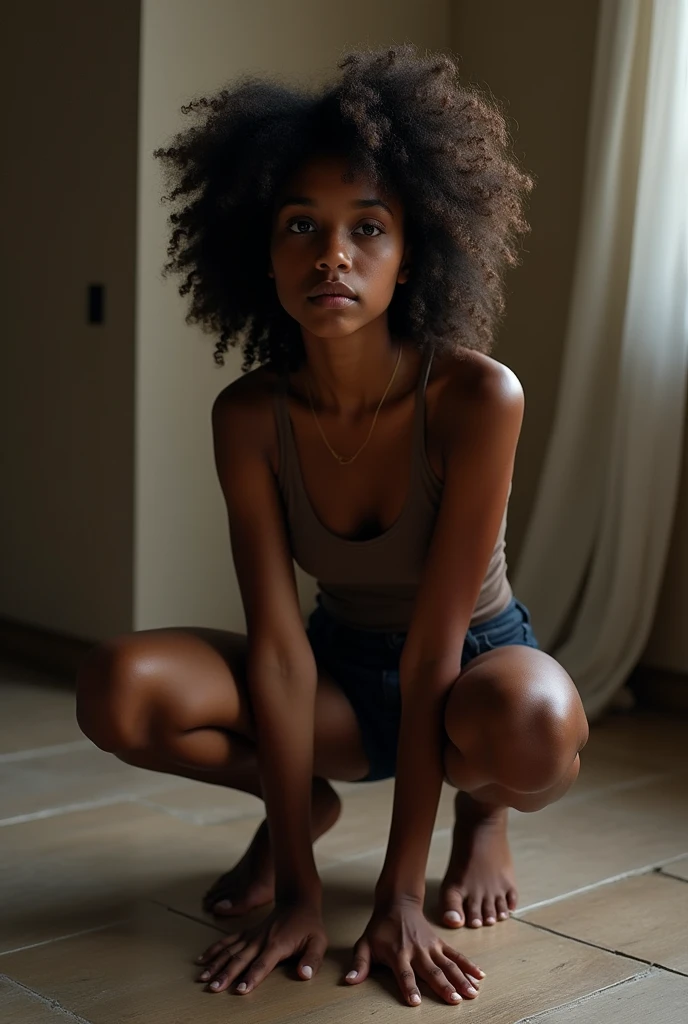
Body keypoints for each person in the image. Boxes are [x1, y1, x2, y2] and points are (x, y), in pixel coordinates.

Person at [76, 44, 588, 1009]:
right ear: (259, 252)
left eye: (369, 229)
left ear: (414, 253)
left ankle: (484, 818)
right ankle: (293, 811)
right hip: (336, 675)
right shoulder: (247, 416)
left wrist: (399, 896)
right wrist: (302, 890)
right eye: (301, 226)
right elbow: (276, 644)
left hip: (472, 668)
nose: (332, 255)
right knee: (116, 687)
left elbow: (437, 651)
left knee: (534, 725)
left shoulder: (479, 396)